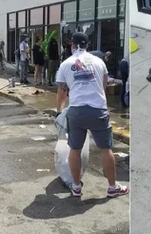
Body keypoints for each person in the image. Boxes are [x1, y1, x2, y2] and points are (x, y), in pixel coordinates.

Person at [56, 32, 129, 198]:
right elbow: (103, 86)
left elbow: (62, 92)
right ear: (88, 45)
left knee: (74, 149)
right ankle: (112, 187)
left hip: (76, 111)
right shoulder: (99, 62)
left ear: (72, 45)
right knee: (105, 149)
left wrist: (59, 111)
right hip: (98, 110)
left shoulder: (66, 64)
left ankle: (76, 187)